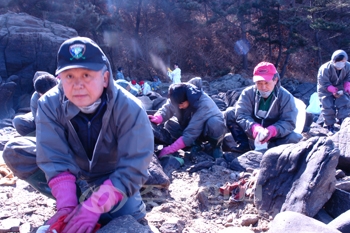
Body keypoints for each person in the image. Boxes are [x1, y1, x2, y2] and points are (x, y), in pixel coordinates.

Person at [3, 37, 153, 231]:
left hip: (110, 174)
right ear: (60, 79)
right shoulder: (49, 103)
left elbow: (134, 166)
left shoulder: (129, 107)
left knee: (129, 215)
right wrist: (66, 204)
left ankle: (96, 201)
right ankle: (71, 200)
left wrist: (96, 205)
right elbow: (53, 156)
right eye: (69, 76)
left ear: (105, 78)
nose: (77, 84)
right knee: (15, 150)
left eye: (86, 75)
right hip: (72, 170)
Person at [224, 61, 302, 152]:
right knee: (230, 113)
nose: (263, 87)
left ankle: (271, 149)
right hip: (252, 130)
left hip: (275, 134)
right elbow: (241, 115)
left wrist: (272, 130)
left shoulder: (286, 97)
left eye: (266, 83)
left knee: (295, 137)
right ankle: (244, 145)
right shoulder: (247, 93)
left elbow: (289, 122)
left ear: (275, 80)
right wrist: (254, 128)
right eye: (259, 83)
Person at [149, 82, 226, 159]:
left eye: (181, 104)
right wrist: (158, 117)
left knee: (214, 123)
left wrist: (170, 149)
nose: (179, 107)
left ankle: (216, 146)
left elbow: (192, 131)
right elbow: (168, 108)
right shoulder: (177, 93)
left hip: (206, 130)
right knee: (169, 124)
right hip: (190, 126)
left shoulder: (204, 104)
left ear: (188, 99)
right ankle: (195, 144)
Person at [12, 71, 58, 136]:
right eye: (43, 95)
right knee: (18, 121)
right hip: (43, 121)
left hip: (62, 119)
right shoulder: (35, 98)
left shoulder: (65, 90)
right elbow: (39, 122)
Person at [317, 49, 350, 134]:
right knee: (327, 106)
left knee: (344, 103)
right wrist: (333, 90)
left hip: (340, 87)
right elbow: (323, 82)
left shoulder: (348, 66)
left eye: (343, 61)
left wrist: (347, 86)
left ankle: (344, 122)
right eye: (338, 61)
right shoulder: (325, 68)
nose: (341, 63)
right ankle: (330, 126)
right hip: (325, 89)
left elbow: (348, 77)